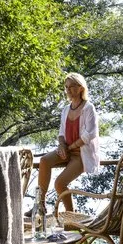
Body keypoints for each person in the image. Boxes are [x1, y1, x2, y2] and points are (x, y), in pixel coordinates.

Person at [36, 72, 100, 214]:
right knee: (44, 161)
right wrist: (61, 145)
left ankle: (71, 214)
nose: (68, 90)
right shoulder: (66, 109)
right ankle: (40, 205)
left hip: (80, 154)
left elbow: (90, 134)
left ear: (81, 88)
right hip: (67, 149)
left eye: (71, 86)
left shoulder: (88, 108)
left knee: (59, 183)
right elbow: (61, 133)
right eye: (66, 87)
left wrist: (70, 147)